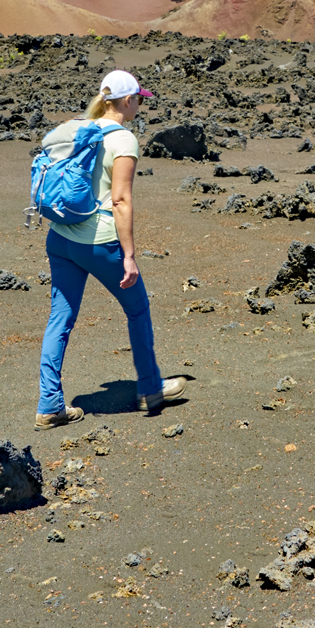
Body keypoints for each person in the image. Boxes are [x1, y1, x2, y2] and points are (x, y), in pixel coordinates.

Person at [35, 70, 185, 426]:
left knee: (60, 319)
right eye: (139, 99)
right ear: (128, 100)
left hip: (60, 237)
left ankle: (49, 406)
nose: (140, 105)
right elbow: (119, 200)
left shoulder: (76, 129)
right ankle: (150, 389)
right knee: (137, 309)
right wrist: (129, 255)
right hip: (98, 242)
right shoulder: (123, 140)